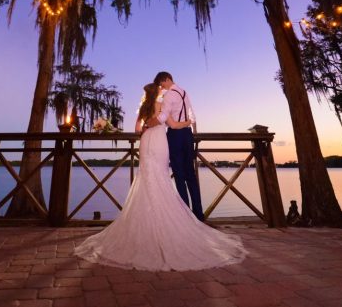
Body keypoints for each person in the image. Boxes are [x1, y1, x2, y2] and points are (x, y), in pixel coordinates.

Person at [73, 82, 247, 271]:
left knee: (147, 179)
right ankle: (172, 223)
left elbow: (138, 129)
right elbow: (170, 123)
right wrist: (188, 122)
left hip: (147, 141)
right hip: (159, 142)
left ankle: (146, 225)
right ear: (156, 92)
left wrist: (147, 126)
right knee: (161, 178)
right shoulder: (160, 105)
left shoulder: (142, 108)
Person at [147, 71, 204, 221]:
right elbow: (192, 115)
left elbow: (164, 116)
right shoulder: (184, 92)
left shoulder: (169, 95)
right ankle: (199, 214)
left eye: (161, 84)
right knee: (190, 175)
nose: (161, 87)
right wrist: (193, 132)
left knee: (179, 175)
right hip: (188, 135)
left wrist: (151, 123)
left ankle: (186, 216)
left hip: (176, 135)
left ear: (167, 79)